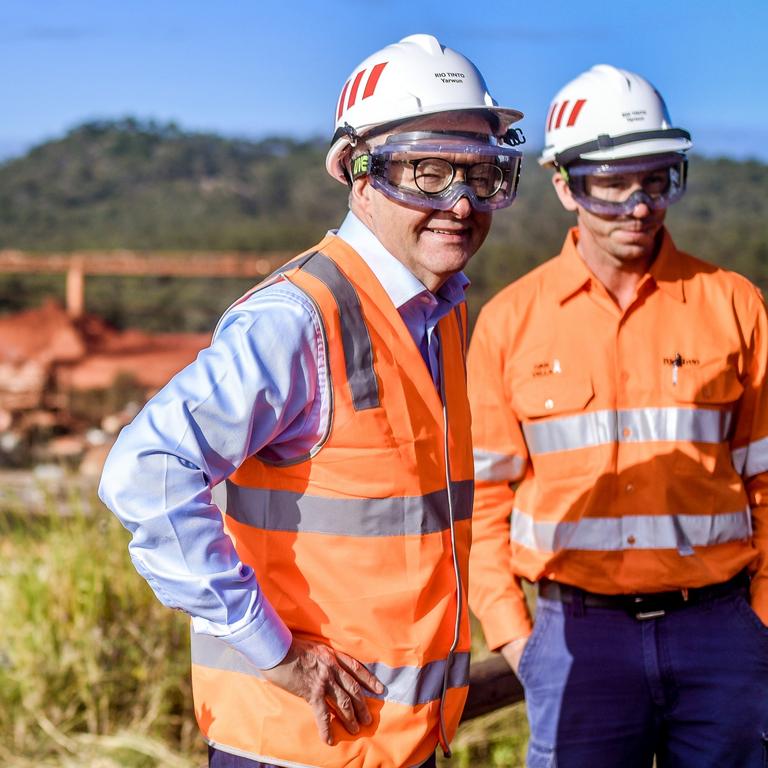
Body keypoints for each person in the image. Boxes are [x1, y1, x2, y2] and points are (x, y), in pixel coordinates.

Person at [99, 34, 525, 768]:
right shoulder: (298, 319)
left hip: (406, 742)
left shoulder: (440, 312)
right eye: (429, 170)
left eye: (482, 174)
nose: (460, 202)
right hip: (296, 746)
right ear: (358, 173)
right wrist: (275, 654)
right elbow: (145, 473)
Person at [467, 64, 768, 767]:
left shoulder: (734, 305)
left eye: (657, 179)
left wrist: (761, 621)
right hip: (576, 636)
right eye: (614, 183)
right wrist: (513, 633)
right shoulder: (512, 321)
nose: (640, 206)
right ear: (565, 185)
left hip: (721, 630)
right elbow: (480, 500)